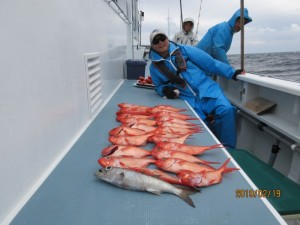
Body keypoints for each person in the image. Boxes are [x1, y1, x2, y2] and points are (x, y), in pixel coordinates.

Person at [149, 29, 245, 149]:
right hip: (187, 98)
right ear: (152, 45)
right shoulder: (154, 67)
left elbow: (210, 63)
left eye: (162, 38)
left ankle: (229, 149)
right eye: (156, 40)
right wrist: (164, 90)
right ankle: (211, 150)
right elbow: (158, 86)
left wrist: (231, 73)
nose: (160, 42)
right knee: (198, 125)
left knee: (227, 110)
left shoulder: (185, 50)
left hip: (208, 90)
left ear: (167, 39)